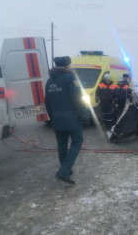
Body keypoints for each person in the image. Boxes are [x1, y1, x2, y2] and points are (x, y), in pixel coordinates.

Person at [45, 56, 89, 185]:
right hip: (71, 118)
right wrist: (85, 115)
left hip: (57, 119)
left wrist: (52, 118)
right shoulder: (70, 79)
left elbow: (47, 102)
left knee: (62, 144)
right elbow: (78, 99)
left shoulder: (49, 81)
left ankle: (65, 169)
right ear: (68, 65)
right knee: (77, 142)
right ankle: (64, 171)